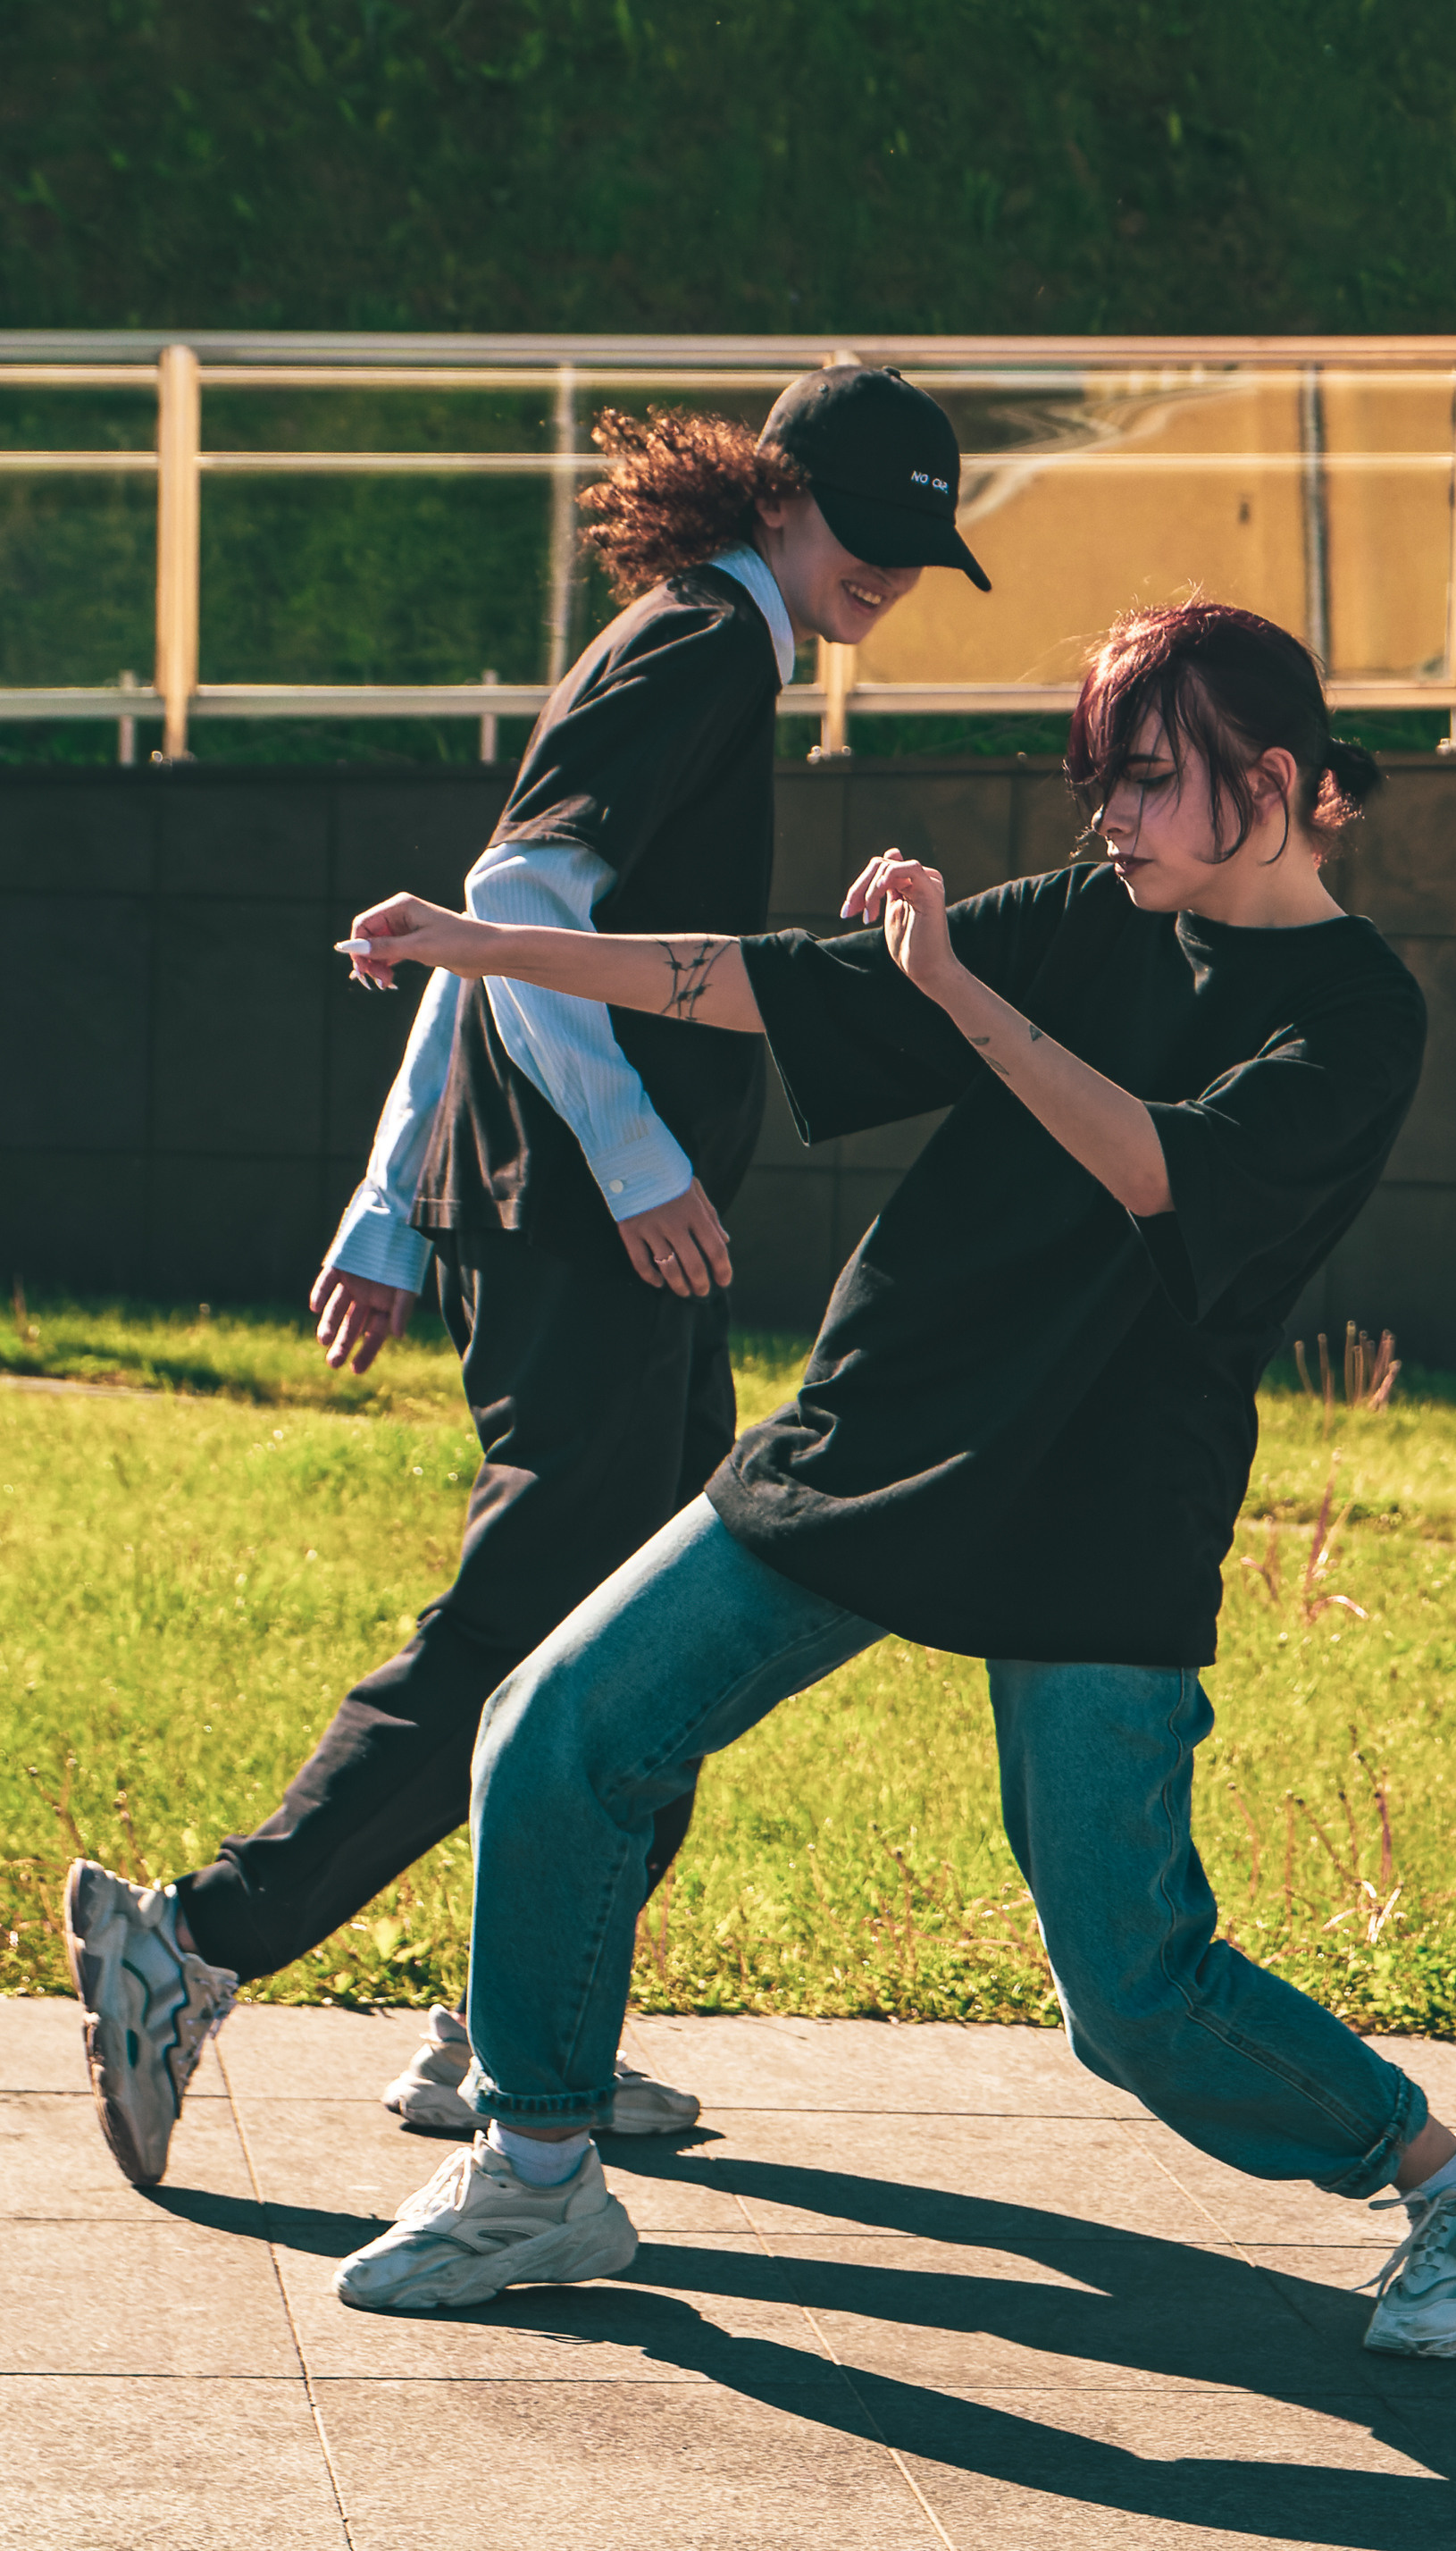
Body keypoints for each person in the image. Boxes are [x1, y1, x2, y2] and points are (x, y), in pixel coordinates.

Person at [329, 598, 1456, 2359]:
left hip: (1096, 1505)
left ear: (1277, 781)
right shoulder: (1088, 915)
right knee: (552, 1730)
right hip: (878, 1438)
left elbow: (1159, 1167)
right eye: (1101, 786)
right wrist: (486, 947)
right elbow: (763, 977)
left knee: (1130, 1994)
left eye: (1146, 785)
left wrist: (959, 994)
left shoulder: (1360, 1015)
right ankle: (538, 2170)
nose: (1113, 823)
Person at [63, 365, 992, 2191]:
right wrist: (635, 1173)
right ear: (780, 494)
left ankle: (513, 2026)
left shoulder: (696, 639)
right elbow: (521, 912)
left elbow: (486, 924)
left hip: (580, 1221)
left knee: (669, 1630)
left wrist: (390, 1206)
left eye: (915, 545)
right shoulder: (702, 651)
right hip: (590, 1227)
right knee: (540, 1636)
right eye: (865, 532)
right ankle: (195, 1944)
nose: (885, 572)